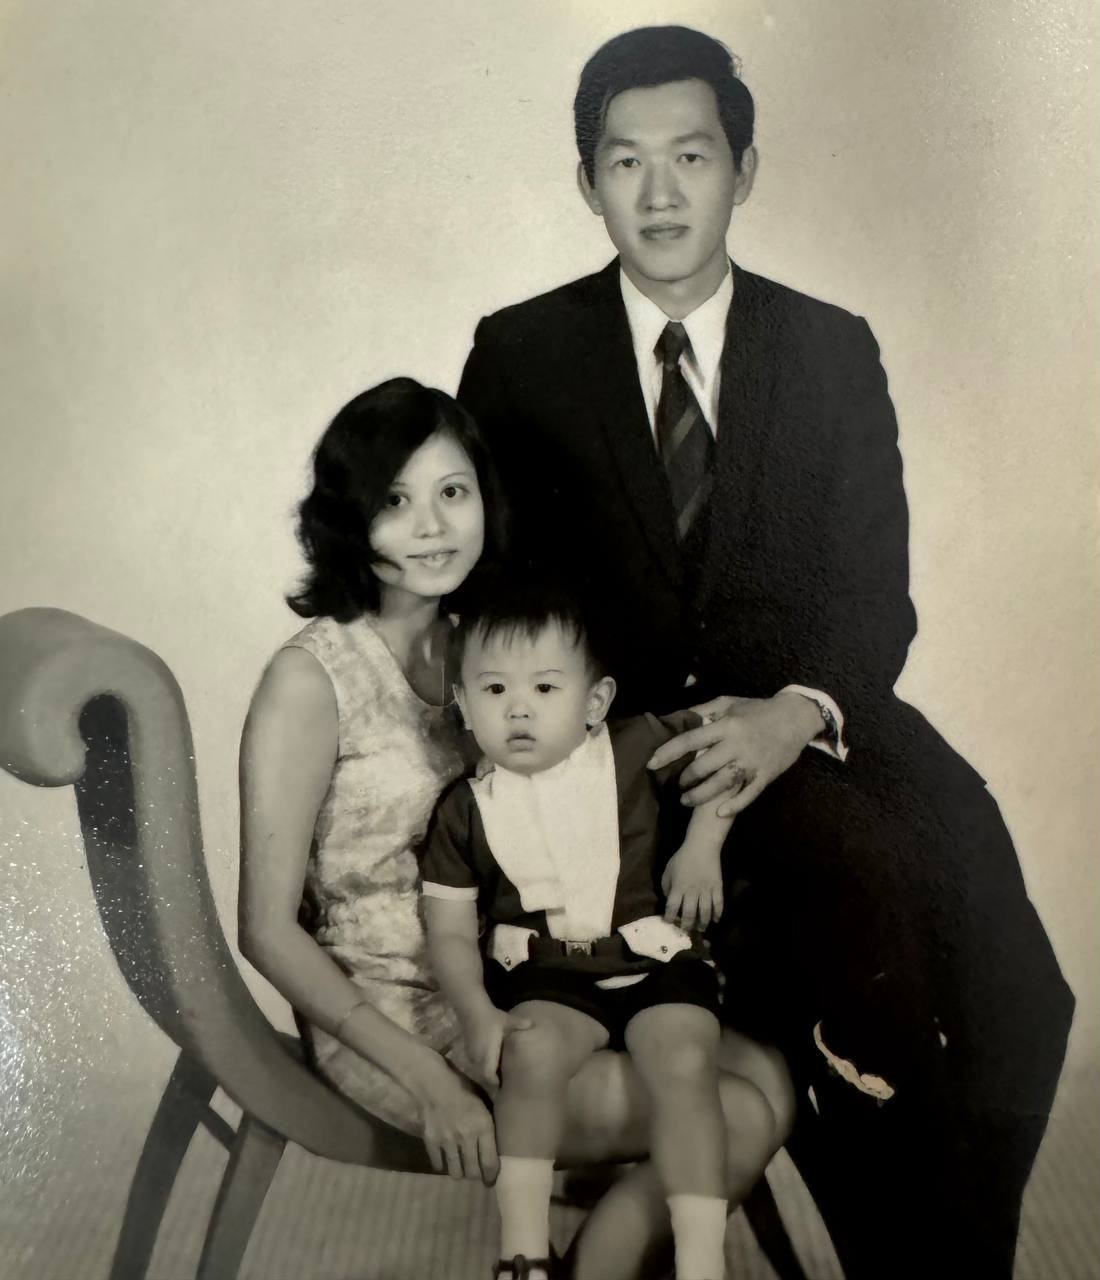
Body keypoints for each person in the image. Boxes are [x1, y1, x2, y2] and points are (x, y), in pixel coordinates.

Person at [457, 25, 1075, 1279]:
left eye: (691, 155)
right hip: (639, 762)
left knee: (1020, 993)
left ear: (744, 167)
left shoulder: (827, 348)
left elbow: (874, 594)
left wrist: (794, 712)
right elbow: (496, 602)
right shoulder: (521, 356)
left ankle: (960, 1245)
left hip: (820, 722)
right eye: (624, 162)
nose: (660, 191)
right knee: (869, 979)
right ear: (586, 182)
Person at [237, 377, 794, 1280]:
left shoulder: (485, 644)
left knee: (770, 1081)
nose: (432, 526)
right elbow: (264, 929)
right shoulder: (310, 682)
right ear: (350, 516)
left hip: (539, 981)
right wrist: (427, 1082)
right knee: (735, 1111)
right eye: (395, 500)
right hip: (398, 1018)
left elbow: (602, 760)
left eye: (452, 494)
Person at [422, 582, 767, 1280]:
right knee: (529, 1054)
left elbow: (735, 736)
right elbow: (452, 934)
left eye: (546, 688)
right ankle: (521, 1253)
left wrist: (702, 845)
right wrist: (475, 1013)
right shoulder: (464, 811)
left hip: (655, 951)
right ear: (463, 703)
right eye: (492, 690)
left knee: (684, 1060)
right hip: (548, 969)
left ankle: (702, 1261)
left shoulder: (635, 748)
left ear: (595, 701)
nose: (518, 708)